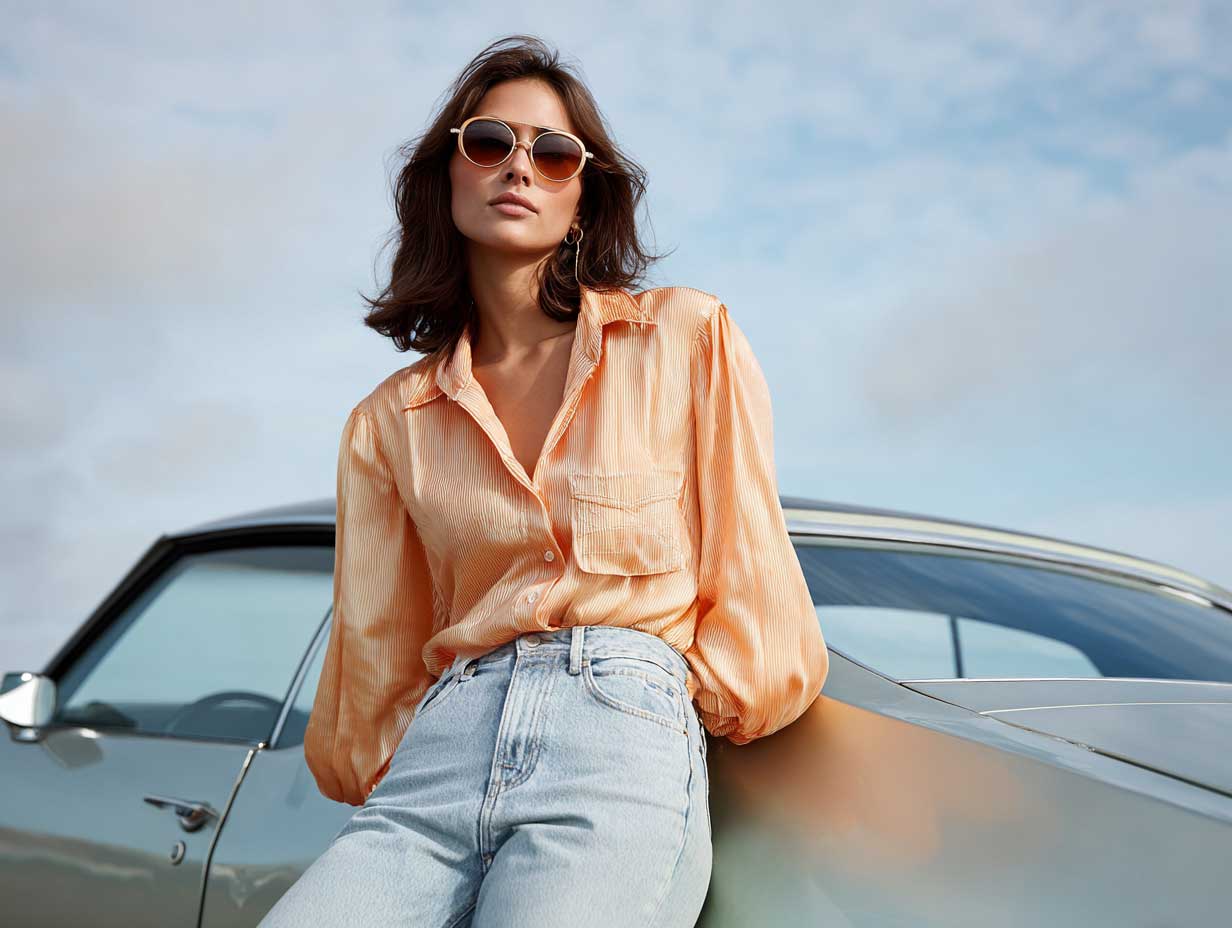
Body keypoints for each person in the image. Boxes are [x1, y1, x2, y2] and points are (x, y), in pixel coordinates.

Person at [258, 33, 828, 928]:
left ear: (582, 194)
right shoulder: (388, 421)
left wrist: (651, 702)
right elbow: (377, 650)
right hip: (438, 761)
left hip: (615, 739)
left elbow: (755, 582)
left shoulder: (685, 338)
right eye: (489, 143)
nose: (520, 168)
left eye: (553, 153)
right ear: (445, 174)